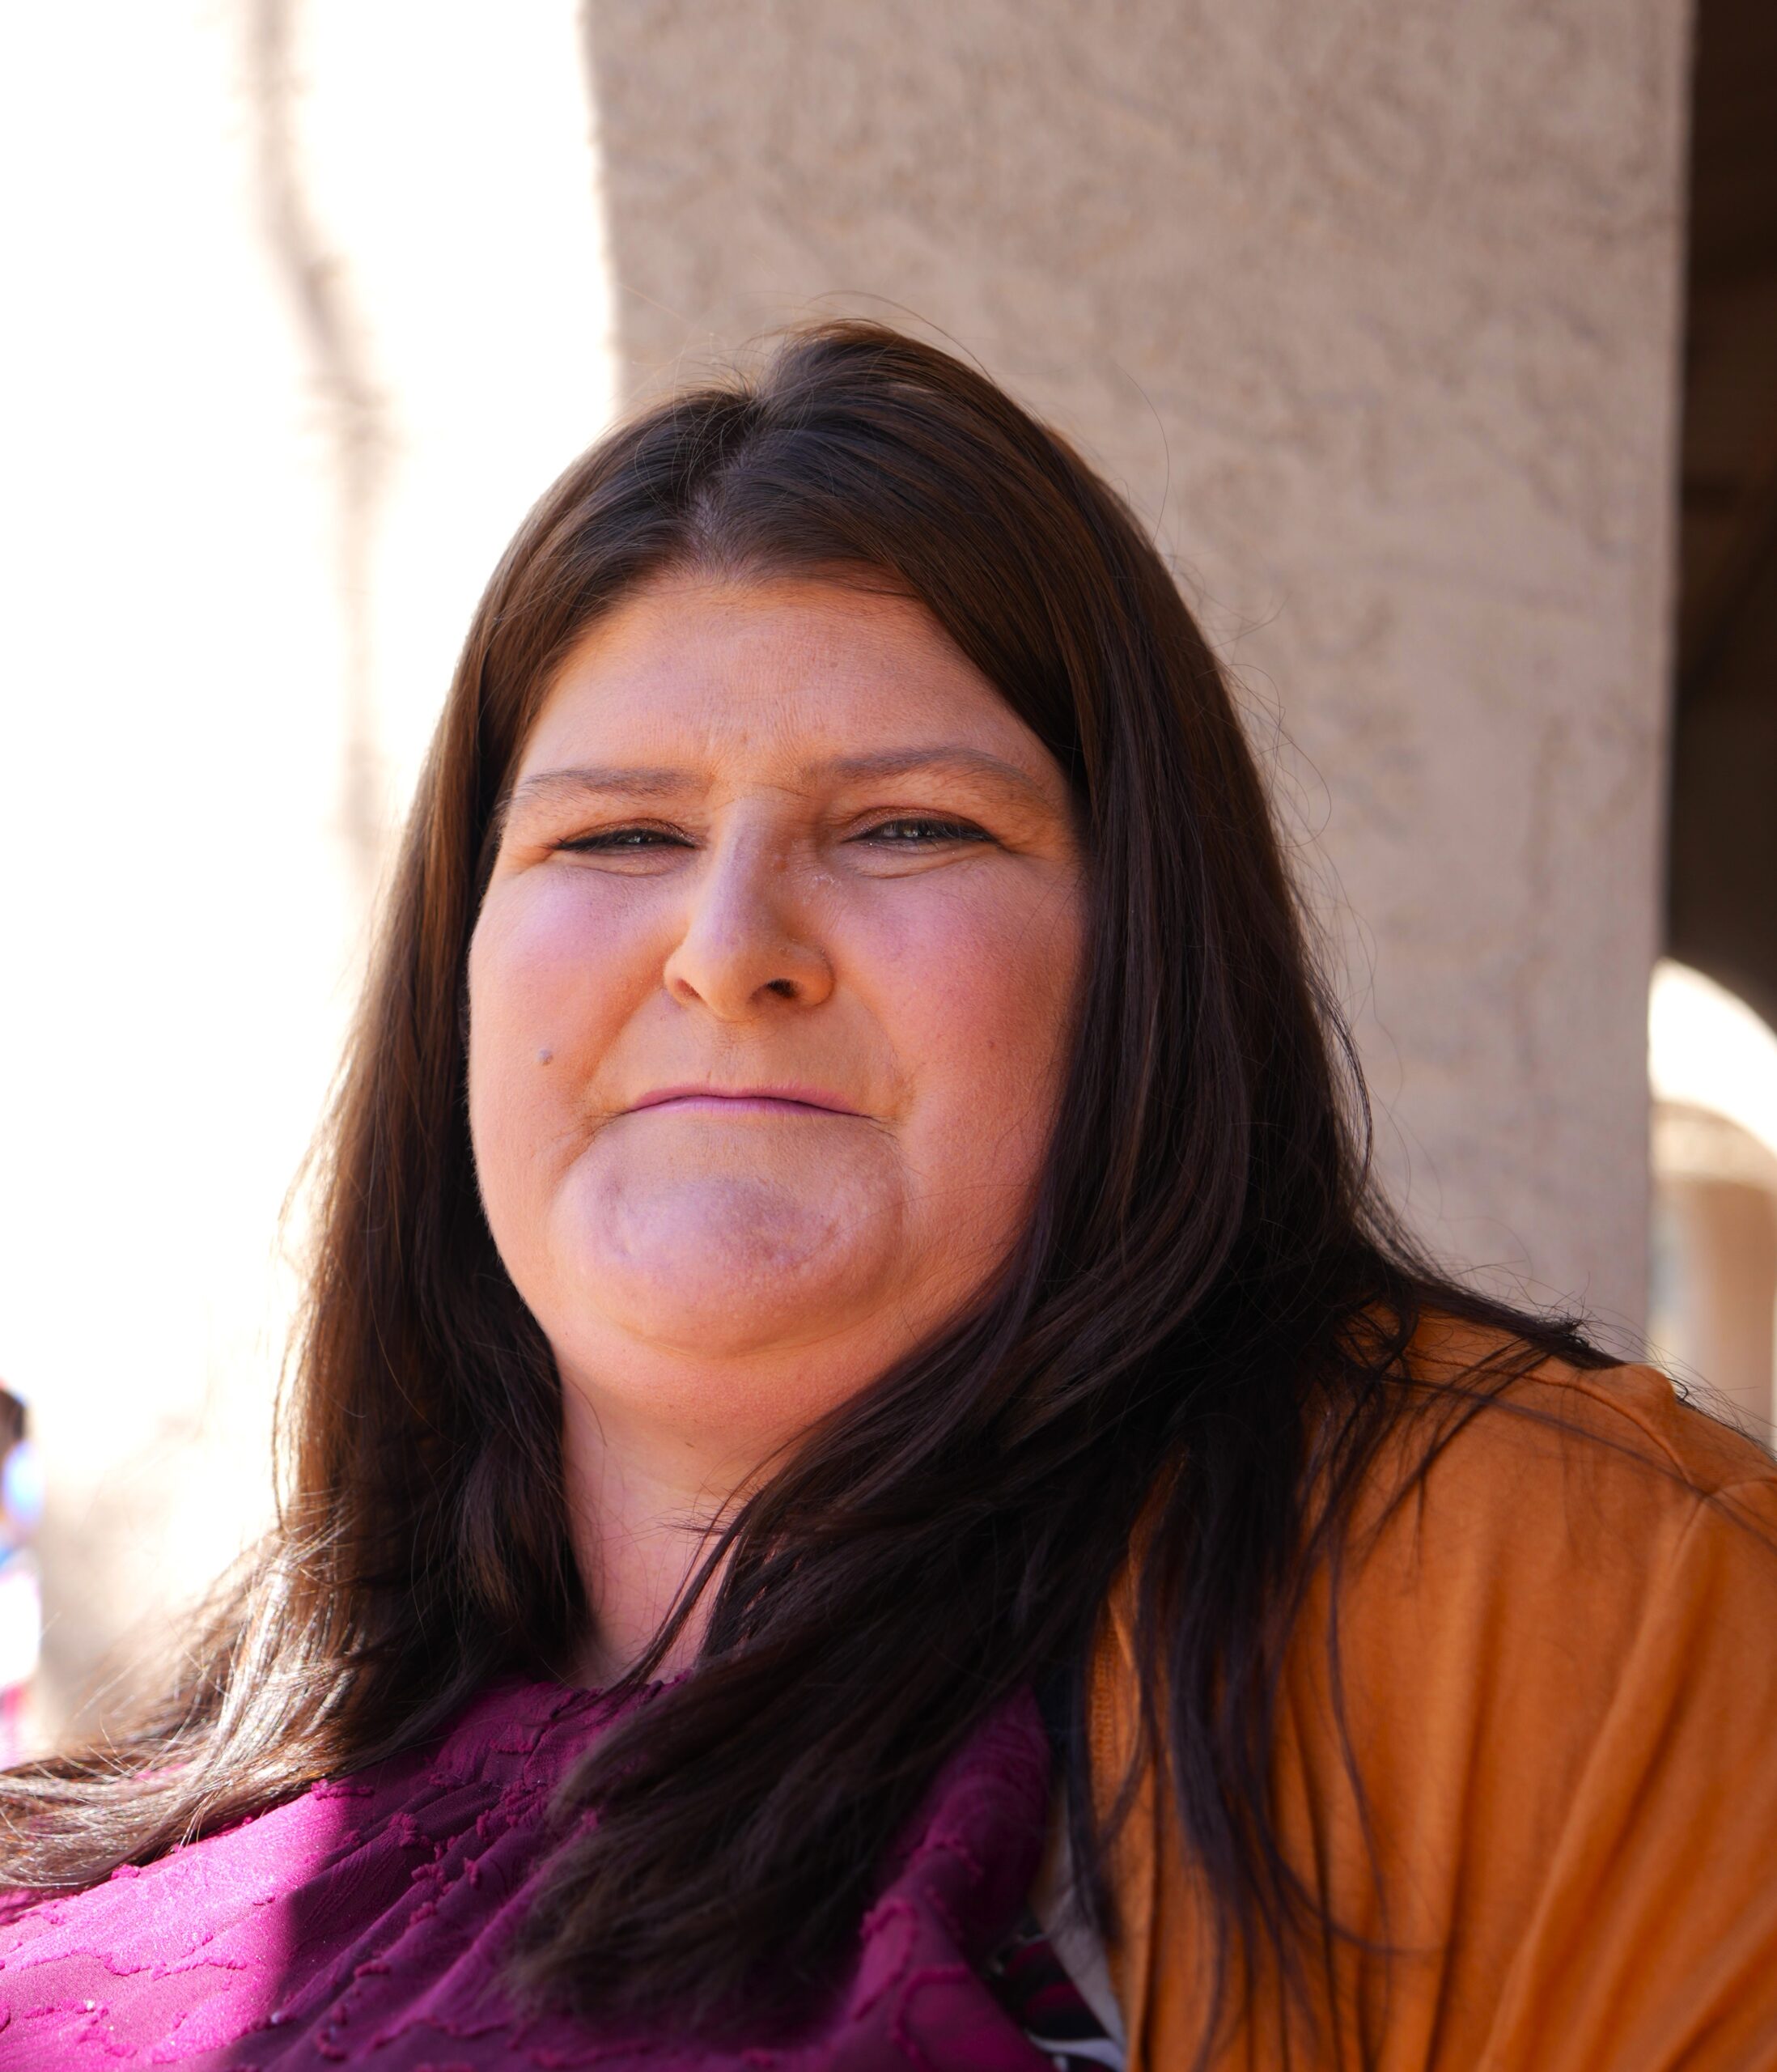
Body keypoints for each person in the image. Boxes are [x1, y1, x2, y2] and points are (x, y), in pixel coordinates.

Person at [0, 323, 1772, 2071]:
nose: (728, 945)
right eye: (617, 835)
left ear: (1142, 958)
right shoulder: (178, 1811)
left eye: (909, 826)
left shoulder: (1585, 1605)